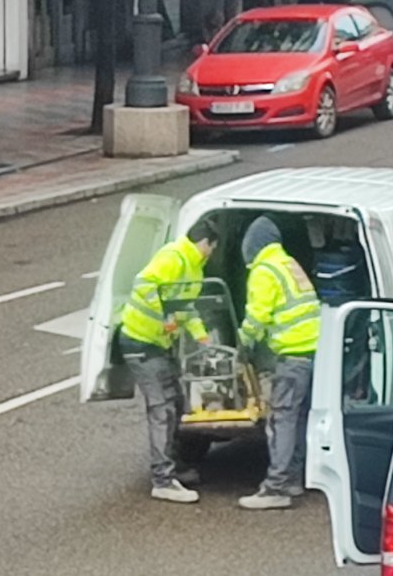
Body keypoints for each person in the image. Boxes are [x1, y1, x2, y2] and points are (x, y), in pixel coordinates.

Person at [119, 218, 220, 504]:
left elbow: (186, 308)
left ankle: (174, 467)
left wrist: (202, 339)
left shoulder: (194, 269)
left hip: (158, 343)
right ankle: (162, 480)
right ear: (205, 244)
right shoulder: (174, 256)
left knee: (176, 403)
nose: (212, 253)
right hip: (140, 340)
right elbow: (145, 284)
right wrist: (163, 315)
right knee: (161, 408)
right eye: (212, 247)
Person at [235, 216, 322, 510]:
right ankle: (294, 478)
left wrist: (242, 343)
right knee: (298, 418)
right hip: (313, 351)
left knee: (282, 418)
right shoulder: (288, 264)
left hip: (292, 354)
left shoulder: (264, 271)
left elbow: (257, 316)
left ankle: (276, 486)